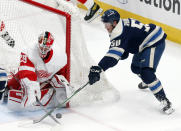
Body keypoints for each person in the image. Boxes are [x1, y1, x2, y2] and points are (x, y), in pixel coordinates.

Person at [88, 9, 174, 114]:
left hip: (154, 41)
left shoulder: (118, 31)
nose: (105, 26)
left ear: (114, 22)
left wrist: (99, 68)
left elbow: (112, 57)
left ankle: (165, 101)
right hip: (144, 43)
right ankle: (148, 82)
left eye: (107, 23)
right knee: (135, 68)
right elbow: (127, 42)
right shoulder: (119, 25)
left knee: (147, 73)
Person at [2, 31, 72, 110]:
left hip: (45, 80)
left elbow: (62, 72)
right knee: (11, 85)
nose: (43, 50)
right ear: (38, 43)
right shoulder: (29, 51)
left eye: (46, 48)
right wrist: (30, 87)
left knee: (57, 85)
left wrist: (61, 82)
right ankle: (6, 92)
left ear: (51, 46)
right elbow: (26, 72)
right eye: (42, 47)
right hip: (31, 77)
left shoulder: (60, 56)